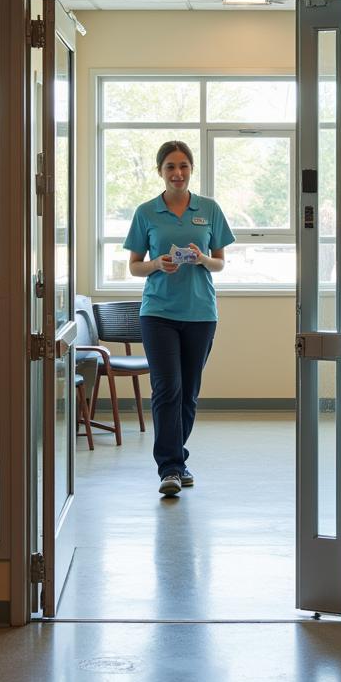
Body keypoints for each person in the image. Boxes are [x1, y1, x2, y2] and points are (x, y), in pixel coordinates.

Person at [124, 140, 235, 497]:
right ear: (160, 171)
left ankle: (178, 459)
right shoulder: (146, 213)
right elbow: (134, 266)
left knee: (188, 393)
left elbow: (220, 262)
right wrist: (157, 264)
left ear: (191, 170)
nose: (177, 173)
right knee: (166, 388)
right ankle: (170, 467)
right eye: (170, 167)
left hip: (201, 313)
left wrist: (202, 258)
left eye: (183, 166)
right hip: (158, 313)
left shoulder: (209, 210)